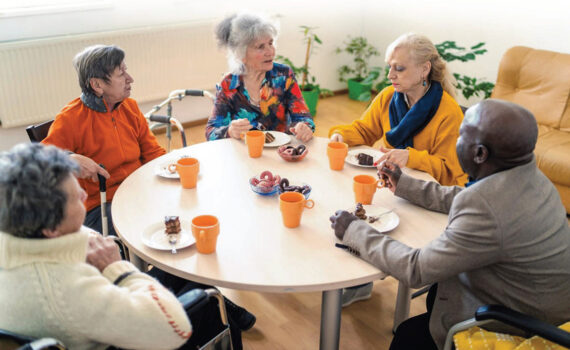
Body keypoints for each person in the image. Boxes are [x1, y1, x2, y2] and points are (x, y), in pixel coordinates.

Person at [41, 44, 255, 340]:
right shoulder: (72, 119)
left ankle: (204, 300)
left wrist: (176, 171)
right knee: (175, 243)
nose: (130, 79)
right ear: (97, 84)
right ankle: (191, 306)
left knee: (194, 221)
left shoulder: (128, 107)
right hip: (102, 207)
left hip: (143, 192)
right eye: (121, 74)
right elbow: (38, 161)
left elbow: (152, 151)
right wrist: (70, 159)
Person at [330, 99, 570, 350]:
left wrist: (354, 230)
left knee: (407, 338)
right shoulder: (529, 176)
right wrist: (405, 184)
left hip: (521, 327)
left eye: (461, 134)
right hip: (542, 304)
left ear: (479, 153)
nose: (456, 140)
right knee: (437, 294)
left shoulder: (486, 208)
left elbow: (416, 269)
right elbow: (466, 197)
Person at [0, 143, 192, 349]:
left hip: (87, 318)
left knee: (183, 266)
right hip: (134, 333)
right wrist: (118, 270)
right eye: (76, 197)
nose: (84, 196)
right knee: (208, 288)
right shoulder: (66, 289)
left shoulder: (21, 235)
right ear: (51, 228)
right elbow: (176, 329)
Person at [329, 33, 467, 187]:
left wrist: (410, 157)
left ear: (425, 69)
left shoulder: (449, 112)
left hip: (431, 193)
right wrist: (340, 135)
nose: (390, 75)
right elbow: (364, 130)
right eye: (390, 67)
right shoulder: (387, 96)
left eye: (399, 69)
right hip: (394, 183)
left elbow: (449, 173)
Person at [206, 12, 315, 142]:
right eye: (260, 47)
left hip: (280, 152)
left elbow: (304, 118)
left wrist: (304, 127)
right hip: (245, 154)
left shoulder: (283, 75)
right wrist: (229, 130)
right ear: (241, 54)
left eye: (270, 43)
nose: (270, 52)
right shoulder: (229, 84)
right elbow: (211, 132)